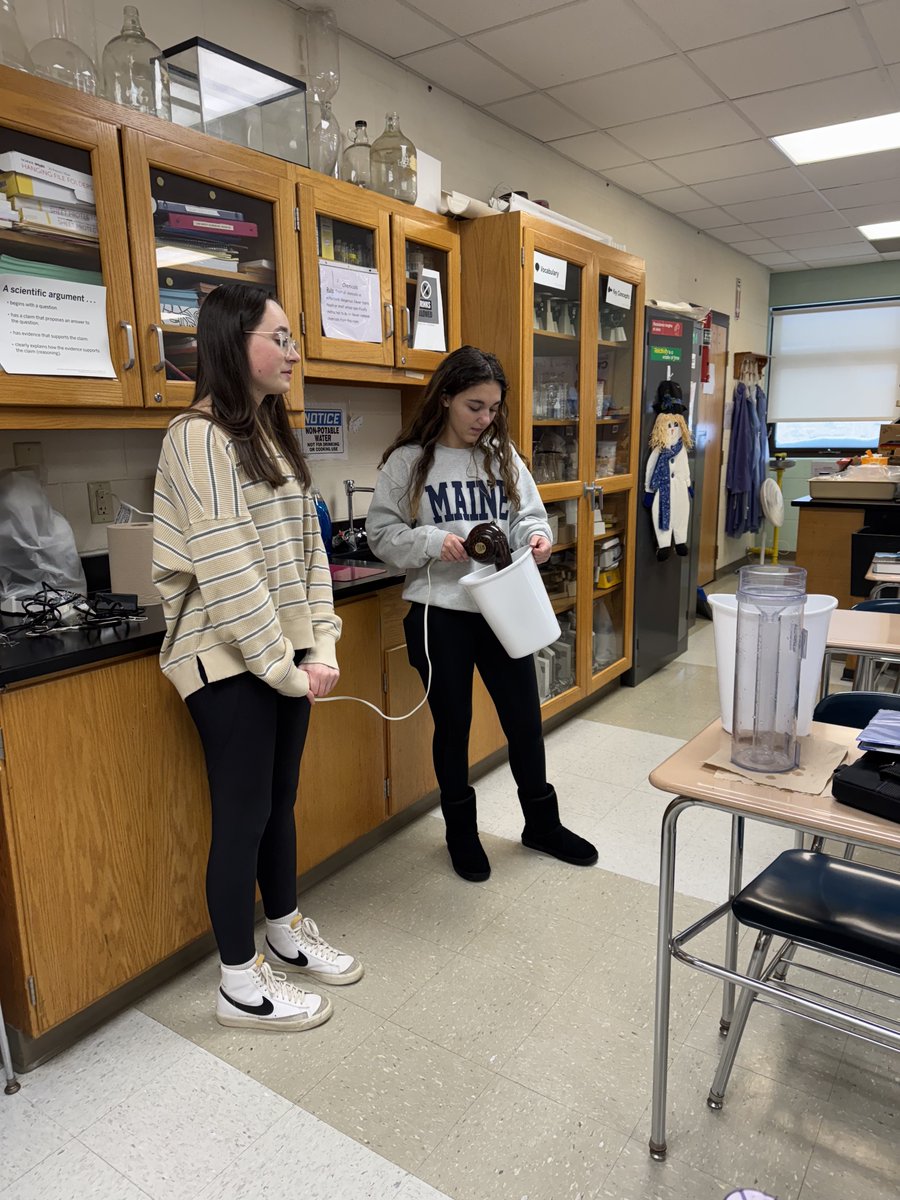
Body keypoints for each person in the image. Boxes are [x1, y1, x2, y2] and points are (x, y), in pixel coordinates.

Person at [152, 283, 363, 1032]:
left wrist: (320, 643)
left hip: (279, 660)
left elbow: (310, 553)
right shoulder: (195, 439)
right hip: (225, 663)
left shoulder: (271, 435)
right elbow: (229, 571)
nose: (293, 350)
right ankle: (239, 983)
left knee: (279, 804)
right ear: (231, 343)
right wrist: (284, 666)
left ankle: (285, 931)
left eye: (293, 336)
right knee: (242, 817)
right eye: (279, 336)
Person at [366, 345, 598, 882]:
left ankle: (542, 825)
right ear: (445, 397)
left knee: (524, 719)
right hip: (438, 613)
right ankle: (461, 834)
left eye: (493, 408)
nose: (485, 419)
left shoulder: (502, 455)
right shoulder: (408, 461)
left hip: (501, 609)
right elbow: (382, 536)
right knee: (454, 726)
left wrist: (535, 536)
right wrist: (431, 540)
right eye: (475, 406)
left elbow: (526, 515)